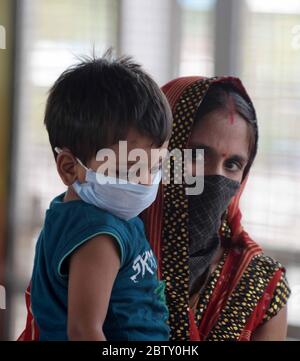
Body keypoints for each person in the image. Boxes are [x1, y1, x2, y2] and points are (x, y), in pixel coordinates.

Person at [18, 53, 172, 341]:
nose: (146, 181)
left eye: (154, 166)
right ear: (69, 167)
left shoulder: (77, 214)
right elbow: (84, 331)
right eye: (129, 169)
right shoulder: (99, 234)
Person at [141, 76, 291, 341]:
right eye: (198, 154)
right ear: (158, 154)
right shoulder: (106, 250)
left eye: (232, 164)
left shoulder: (258, 284)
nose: (214, 176)